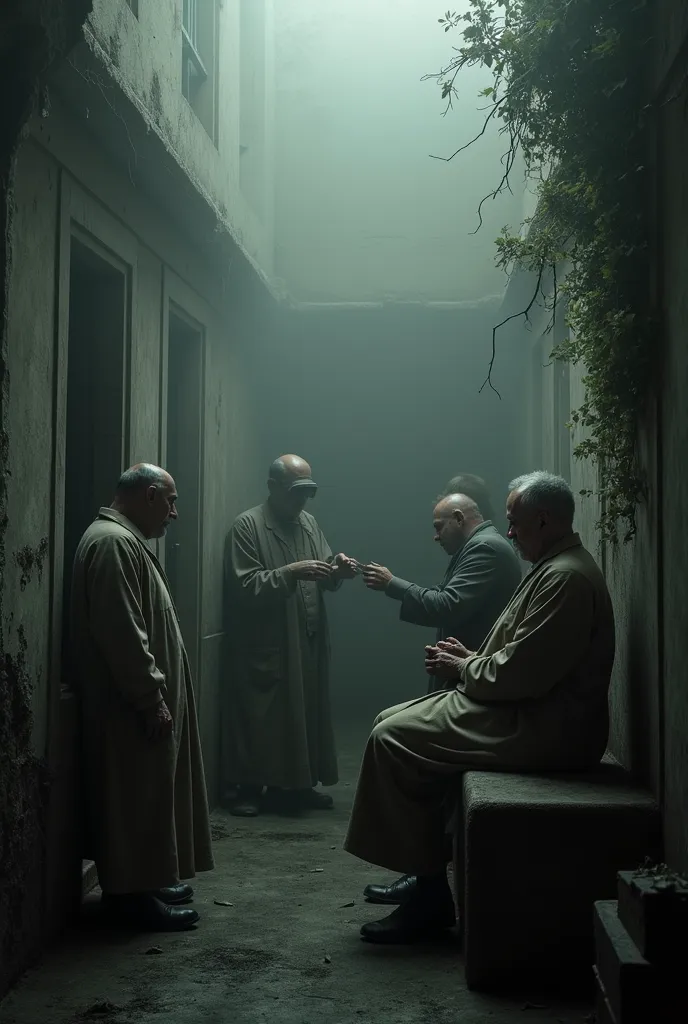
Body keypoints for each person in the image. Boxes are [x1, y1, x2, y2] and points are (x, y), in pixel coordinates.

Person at [344, 471, 615, 944]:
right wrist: (470, 660)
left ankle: (429, 897)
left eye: (515, 522)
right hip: (525, 708)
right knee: (389, 721)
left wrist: (466, 667)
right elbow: (521, 657)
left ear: (544, 520)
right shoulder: (554, 566)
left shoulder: (565, 577)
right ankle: (423, 869)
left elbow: (521, 675)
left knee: (394, 738)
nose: (508, 532)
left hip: (544, 726)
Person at [360, 491, 522, 907]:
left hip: (474, 684)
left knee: (397, 742)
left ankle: (426, 885)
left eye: (438, 527)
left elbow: (448, 604)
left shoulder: (486, 549)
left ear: (457, 517)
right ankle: (422, 875)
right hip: (468, 675)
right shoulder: (482, 546)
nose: (435, 536)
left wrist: (393, 585)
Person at [71, 464, 214, 931]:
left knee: (147, 794)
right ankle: (129, 899)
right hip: (127, 707)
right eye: (170, 501)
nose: (174, 513)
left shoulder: (120, 539)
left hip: (132, 703)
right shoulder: (112, 542)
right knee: (133, 797)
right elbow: (121, 630)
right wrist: (149, 694)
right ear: (150, 495)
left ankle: (146, 881)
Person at [223, 454, 358, 817]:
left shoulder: (309, 523)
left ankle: (298, 786)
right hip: (270, 641)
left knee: (305, 714)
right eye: (295, 493)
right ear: (272, 488)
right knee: (262, 717)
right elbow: (244, 585)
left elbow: (325, 570)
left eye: (306, 495)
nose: (301, 502)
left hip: (307, 638)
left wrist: (338, 572)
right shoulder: (248, 526)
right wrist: (289, 573)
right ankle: (250, 786)